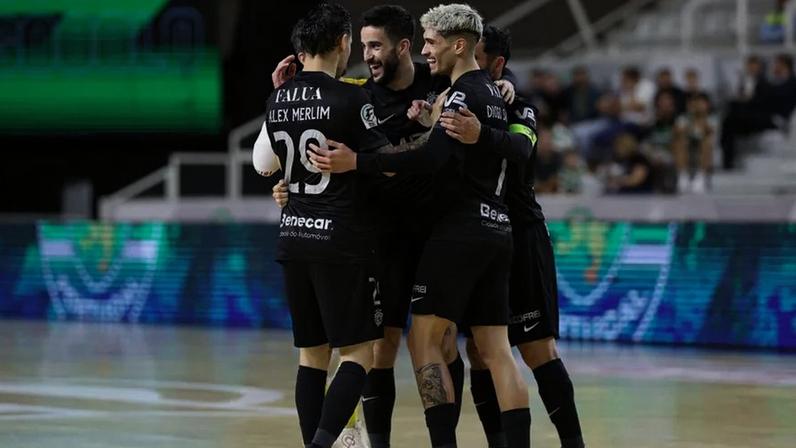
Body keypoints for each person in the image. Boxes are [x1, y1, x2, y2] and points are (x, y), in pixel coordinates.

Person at [267, 5, 520, 446]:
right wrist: (292, 185)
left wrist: (503, 86)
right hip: (376, 236)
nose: (369, 55)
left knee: (438, 345)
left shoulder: (438, 79)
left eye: (377, 45)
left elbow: (475, 88)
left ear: (404, 47)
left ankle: (443, 437)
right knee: (379, 349)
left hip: (429, 234)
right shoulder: (358, 93)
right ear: (345, 43)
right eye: (362, 45)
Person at [259, 4, 389, 447]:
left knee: (312, 356)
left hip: (293, 235)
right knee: (360, 353)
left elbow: (267, 164)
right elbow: (386, 163)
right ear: (341, 42)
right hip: (340, 239)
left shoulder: (277, 98)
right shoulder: (352, 98)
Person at [458, 24, 587, 448]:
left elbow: (522, 149)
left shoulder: (521, 107)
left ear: (496, 65)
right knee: (479, 351)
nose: (467, 67)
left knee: (536, 350)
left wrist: (486, 130)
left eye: (478, 60)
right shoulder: (456, 99)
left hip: (522, 236)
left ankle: (574, 443)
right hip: (478, 238)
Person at [674, 93, 716, 193]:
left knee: (705, 142)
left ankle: (700, 176)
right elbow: (678, 132)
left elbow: (708, 131)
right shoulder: (683, 118)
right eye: (696, 104)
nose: (698, 106)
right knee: (680, 141)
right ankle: (683, 176)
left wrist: (701, 119)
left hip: (706, 148)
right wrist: (691, 119)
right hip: (688, 147)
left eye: (701, 104)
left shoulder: (712, 118)